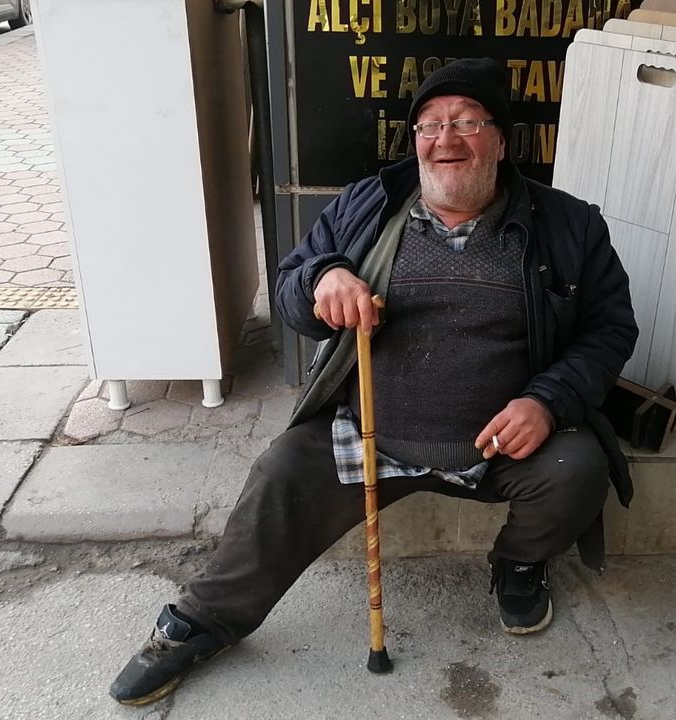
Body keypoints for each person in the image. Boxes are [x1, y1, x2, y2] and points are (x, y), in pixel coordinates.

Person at [109, 57, 639, 707]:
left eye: (467, 122)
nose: (445, 138)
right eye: (430, 125)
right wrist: (322, 278)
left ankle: (520, 563)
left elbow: (610, 329)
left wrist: (547, 402)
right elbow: (293, 284)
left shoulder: (570, 225)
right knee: (279, 472)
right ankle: (207, 617)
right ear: (415, 140)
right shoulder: (368, 204)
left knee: (577, 469)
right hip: (368, 435)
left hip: (499, 444)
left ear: (501, 141)